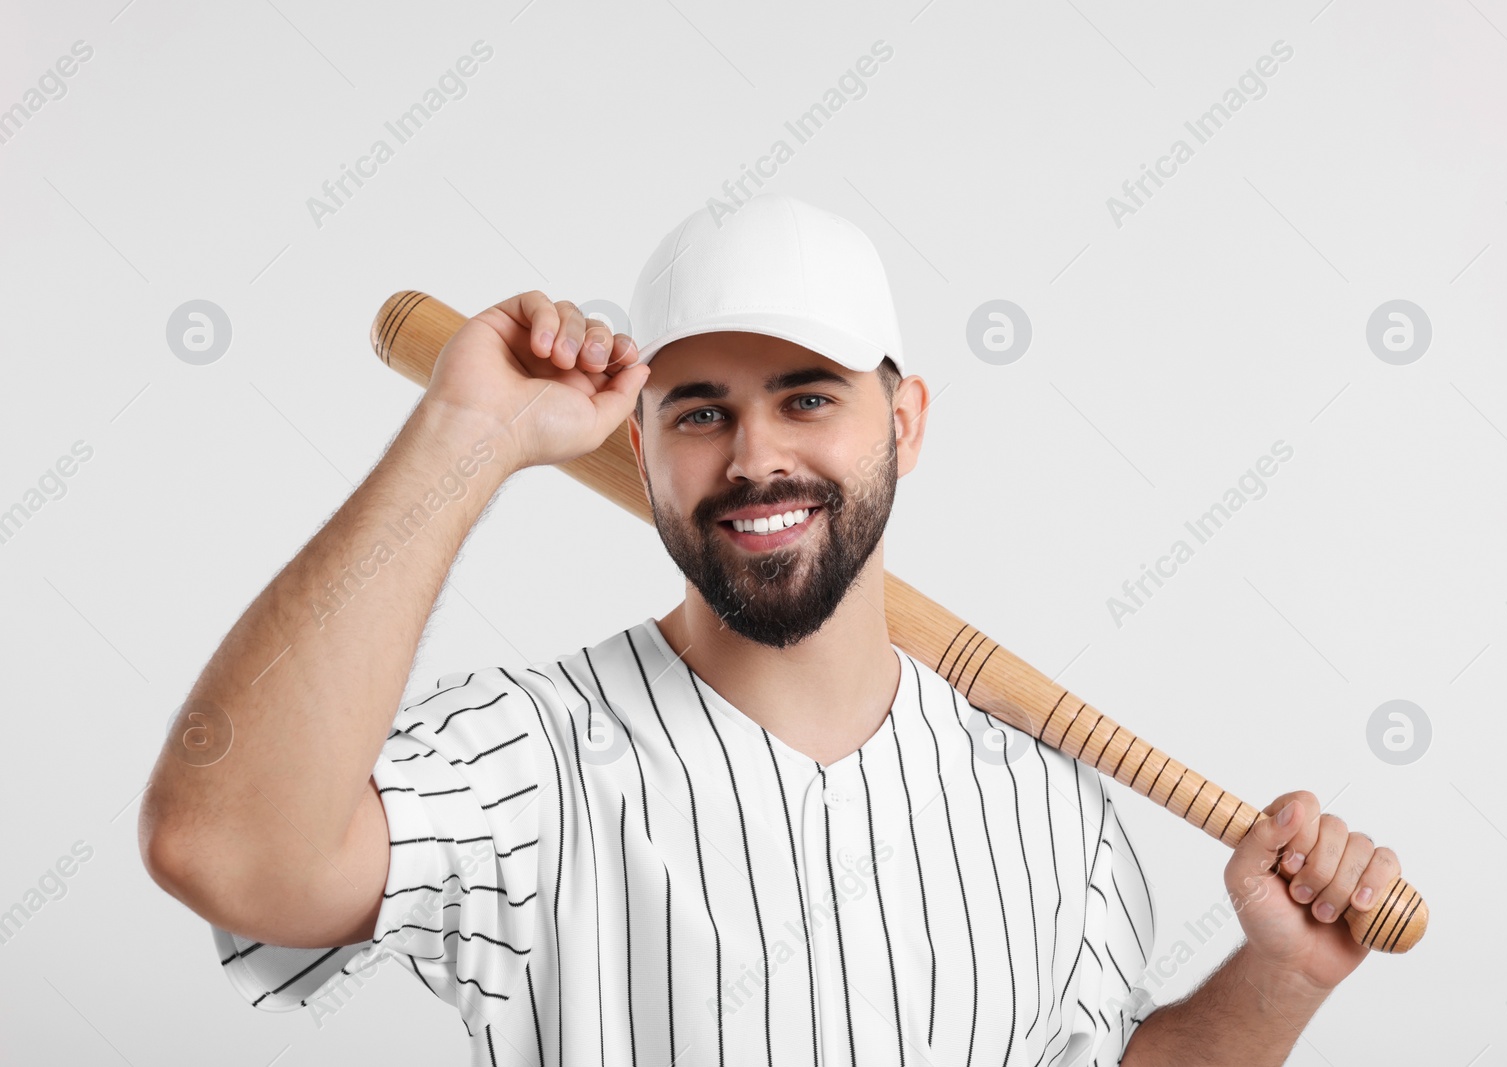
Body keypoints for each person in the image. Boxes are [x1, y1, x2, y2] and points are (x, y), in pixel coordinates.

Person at [139, 194, 1404, 1067]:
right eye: (699, 412)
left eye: (808, 396)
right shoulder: (523, 757)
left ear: (905, 422)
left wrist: (1279, 973)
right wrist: (464, 439)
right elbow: (224, 846)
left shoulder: (1046, 797)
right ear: (636, 449)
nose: (755, 458)